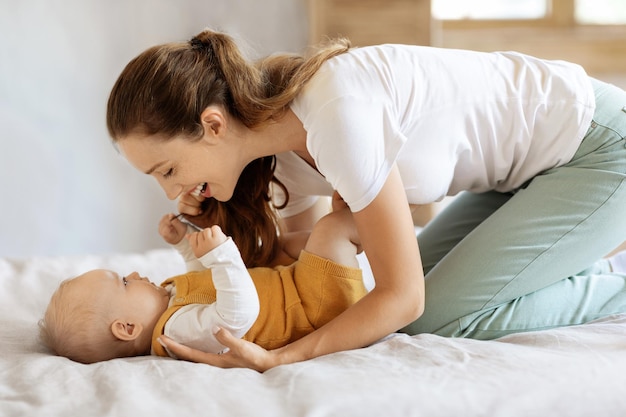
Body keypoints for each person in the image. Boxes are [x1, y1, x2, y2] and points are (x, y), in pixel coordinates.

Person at [105, 28, 626, 371]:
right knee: (416, 291)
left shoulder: (335, 115)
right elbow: (304, 270)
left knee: (433, 315)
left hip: (600, 147)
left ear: (212, 125)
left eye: (168, 170)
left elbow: (405, 299)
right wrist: (204, 245)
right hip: (517, 178)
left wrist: (283, 358)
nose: (171, 192)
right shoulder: (271, 150)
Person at [39, 208, 367, 364]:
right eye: (125, 282)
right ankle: (388, 227)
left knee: (297, 240)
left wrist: (184, 243)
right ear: (126, 327)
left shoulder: (168, 303)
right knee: (333, 228)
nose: (136, 273)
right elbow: (237, 314)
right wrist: (222, 255)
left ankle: (375, 231)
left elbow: (204, 281)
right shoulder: (177, 332)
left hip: (293, 284)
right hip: (314, 306)